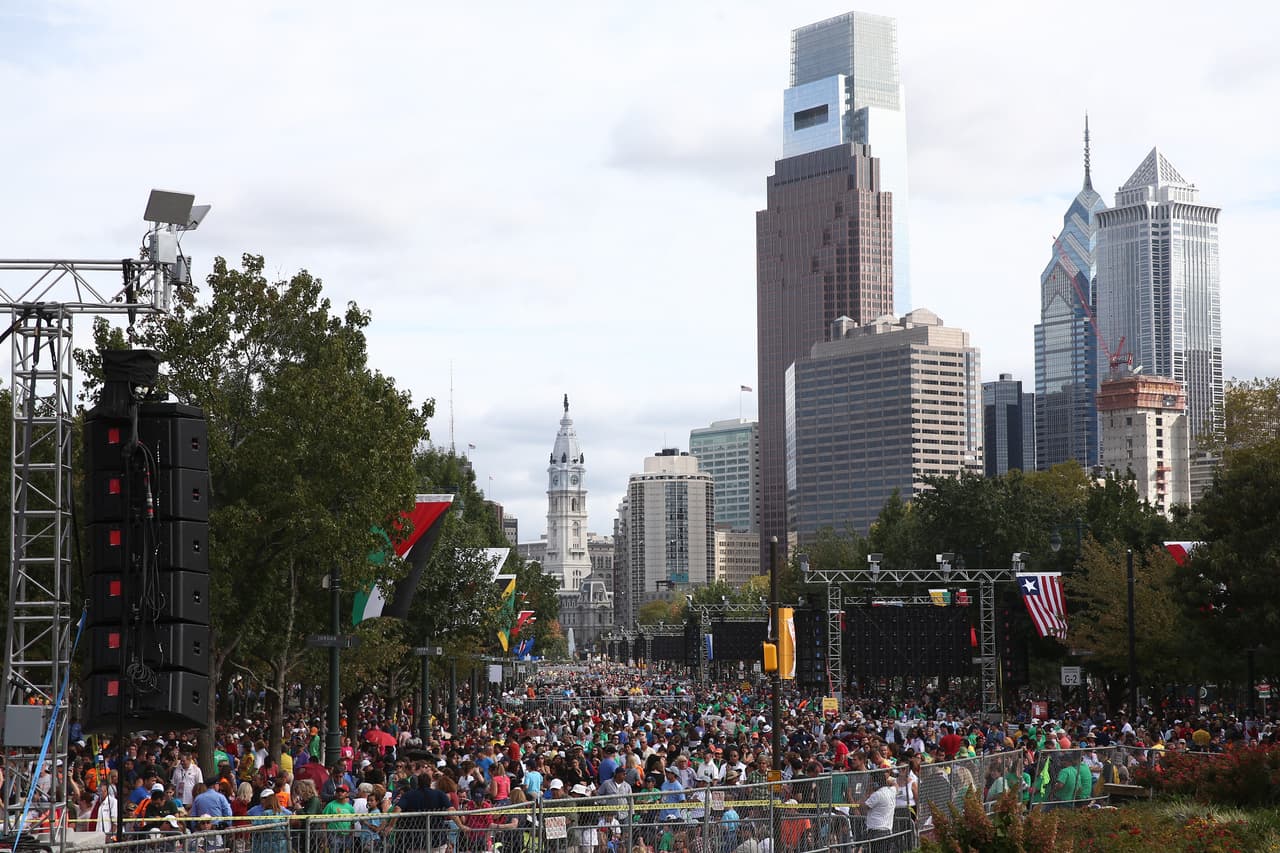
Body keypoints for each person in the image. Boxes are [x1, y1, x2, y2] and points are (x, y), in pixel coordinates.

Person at [863, 772, 897, 853]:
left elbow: (863, 807)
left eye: (871, 781)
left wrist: (868, 790)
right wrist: (889, 781)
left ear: (875, 782)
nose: (869, 783)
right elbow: (896, 785)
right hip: (887, 831)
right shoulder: (891, 791)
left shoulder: (877, 795)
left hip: (876, 831)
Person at [323, 786, 357, 853]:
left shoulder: (350, 807)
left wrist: (351, 835)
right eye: (338, 791)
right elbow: (324, 822)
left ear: (347, 794)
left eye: (342, 791)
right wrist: (325, 838)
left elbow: (352, 823)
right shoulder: (330, 805)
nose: (340, 793)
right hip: (333, 834)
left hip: (347, 835)